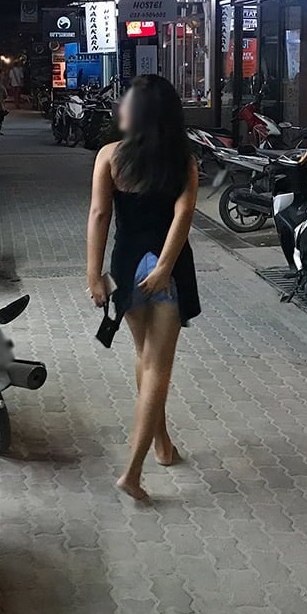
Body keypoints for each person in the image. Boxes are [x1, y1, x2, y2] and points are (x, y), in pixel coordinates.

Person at [86, 74, 201, 501]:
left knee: (144, 356)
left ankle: (162, 445)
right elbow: (183, 214)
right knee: (158, 365)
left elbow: (99, 215)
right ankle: (132, 472)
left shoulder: (110, 156)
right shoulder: (183, 159)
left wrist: (93, 275)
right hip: (166, 269)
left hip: (127, 265)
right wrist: (167, 266)